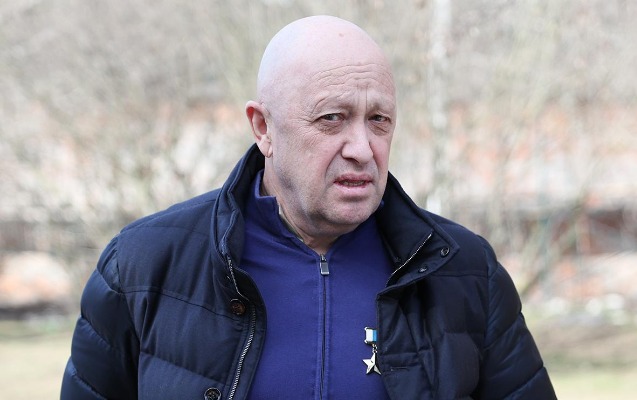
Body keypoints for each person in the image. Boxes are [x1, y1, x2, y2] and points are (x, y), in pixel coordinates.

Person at [61, 15, 557, 400]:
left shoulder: (464, 272)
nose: (362, 148)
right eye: (332, 118)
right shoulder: (142, 266)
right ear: (263, 128)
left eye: (379, 120)